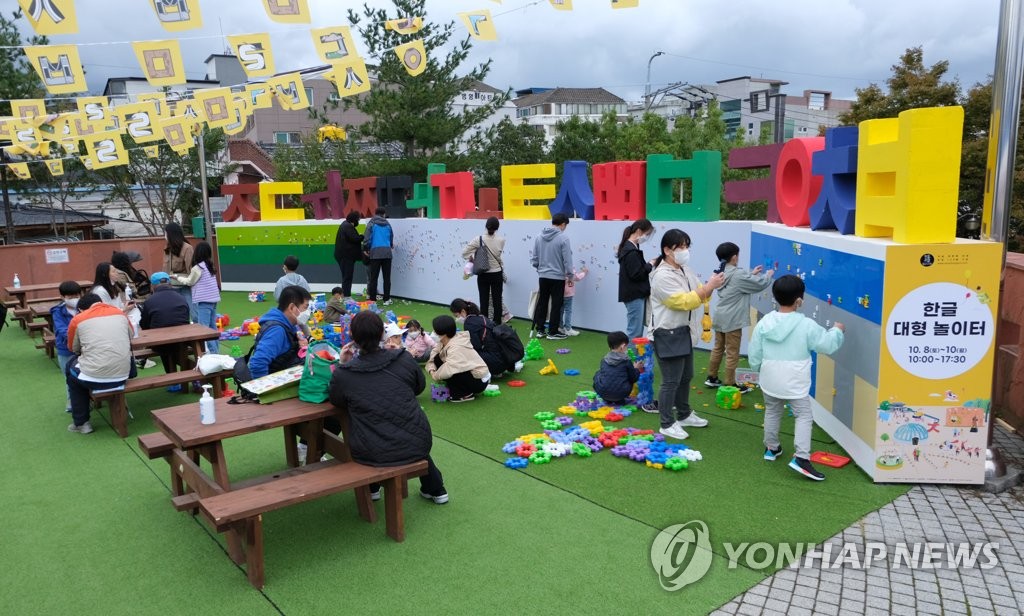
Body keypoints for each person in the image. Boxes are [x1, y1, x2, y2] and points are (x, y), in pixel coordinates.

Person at [329, 311, 449, 504]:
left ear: (352, 337)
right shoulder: (403, 358)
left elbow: (336, 400)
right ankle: (436, 489)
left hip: (370, 450)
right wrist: (401, 355)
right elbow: (419, 387)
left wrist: (342, 363)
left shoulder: (345, 372)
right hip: (417, 440)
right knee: (400, 430)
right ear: (382, 335)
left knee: (370, 424)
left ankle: (373, 488)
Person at [748, 275, 845, 481]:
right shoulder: (806, 324)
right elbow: (827, 345)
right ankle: (801, 457)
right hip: (794, 379)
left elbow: (754, 351)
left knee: (773, 411)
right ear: (799, 301)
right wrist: (837, 330)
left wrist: (758, 370)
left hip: (770, 376)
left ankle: (772, 448)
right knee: (803, 416)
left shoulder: (765, 321)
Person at [649, 229, 725, 439]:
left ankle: (683, 413)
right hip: (668, 332)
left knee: (686, 376)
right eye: (680, 247)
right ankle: (666, 423)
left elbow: (700, 293)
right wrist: (709, 286)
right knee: (671, 380)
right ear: (667, 250)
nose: (685, 251)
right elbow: (683, 302)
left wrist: (712, 284)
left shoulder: (685, 269)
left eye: (686, 246)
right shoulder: (662, 276)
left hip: (684, 332)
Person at [705, 241, 774, 391]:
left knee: (718, 348)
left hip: (720, 316)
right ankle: (730, 384)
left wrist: (751, 274)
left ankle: (712, 378)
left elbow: (738, 282)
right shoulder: (737, 274)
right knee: (732, 352)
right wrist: (768, 276)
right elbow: (759, 284)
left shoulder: (719, 272)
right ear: (735, 257)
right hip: (733, 319)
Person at [66, 293, 134, 434]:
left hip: (94, 376)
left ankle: (81, 422)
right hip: (123, 374)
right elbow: (131, 335)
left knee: (70, 369)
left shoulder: (78, 319)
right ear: (101, 302)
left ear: (80, 310)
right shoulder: (120, 313)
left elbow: (73, 348)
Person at [248, 285, 312, 380]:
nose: (307, 312)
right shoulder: (277, 330)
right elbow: (258, 363)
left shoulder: (288, 324)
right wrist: (267, 391)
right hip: (276, 383)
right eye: (305, 307)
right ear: (291, 308)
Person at [140, 272, 191, 381]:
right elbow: (186, 318)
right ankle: (189, 375)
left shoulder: (150, 301)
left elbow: (144, 325)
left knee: (163, 345)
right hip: (183, 341)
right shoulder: (181, 297)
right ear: (169, 283)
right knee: (176, 348)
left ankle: (172, 379)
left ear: (153, 285)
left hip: (161, 344)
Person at [426, 314, 490, 403]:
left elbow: (450, 368)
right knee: (438, 359)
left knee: (451, 368)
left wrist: (435, 376)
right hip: (470, 374)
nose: (433, 333)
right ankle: (458, 388)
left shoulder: (457, 347)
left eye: (435, 331)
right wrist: (431, 370)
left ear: (444, 334)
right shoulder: (444, 341)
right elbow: (432, 357)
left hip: (479, 381)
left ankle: (465, 394)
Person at [530, 213, 573, 340]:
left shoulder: (539, 237)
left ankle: (540, 330)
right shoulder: (563, 238)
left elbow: (534, 259)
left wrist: (539, 268)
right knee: (556, 304)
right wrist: (570, 275)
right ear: (563, 224)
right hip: (558, 276)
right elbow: (567, 260)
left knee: (542, 302)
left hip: (543, 276)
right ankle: (553, 331)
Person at [173, 241, 221, 354]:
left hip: (204, 301)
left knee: (204, 329)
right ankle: (216, 352)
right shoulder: (209, 265)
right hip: (213, 300)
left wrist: (176, 277)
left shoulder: (197, 268)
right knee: (212, 327)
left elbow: (189, 282)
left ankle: (214, 354)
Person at [462, 216, 505, 323]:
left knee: (484, 300)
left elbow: (464, 253)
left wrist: (472, 258)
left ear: (486, 226)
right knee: (497, 300)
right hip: (497, 273)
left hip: (483, 274)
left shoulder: (479, 239)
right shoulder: (501, 240)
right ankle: (497, 324)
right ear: (497, 228)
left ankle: (485, 324)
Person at [617, 219, 655, 339]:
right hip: (634, 294)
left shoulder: (630, 247)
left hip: (634, 294)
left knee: (636, 329)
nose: (646, 237)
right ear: (639, 231)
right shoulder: (631, 251)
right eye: (647, 234)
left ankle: (634, 356)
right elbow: (636, 274)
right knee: (635, 331)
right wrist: (650, 264)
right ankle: (631, 357)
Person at [449, 298, 506, 377]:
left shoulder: (469, 323)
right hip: (503, 359)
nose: (457, 319)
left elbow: (475, 346)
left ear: (462, 311)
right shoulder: (481, 317)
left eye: (457, 316)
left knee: (464, 353)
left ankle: (486, 373)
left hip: (495, 362)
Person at [51, 280, 84, 413]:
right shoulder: (57, 311)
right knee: (69, 377)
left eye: (77, 296)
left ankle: (86, 399)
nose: (74, 299)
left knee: (84, 373)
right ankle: (72, 401)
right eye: (70, 297)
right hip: (65, 349)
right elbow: (61, 330)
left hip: (83, 347)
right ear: (63, 297)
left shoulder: (83, 307)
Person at [593, 331, 643, 406]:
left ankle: (607, 398)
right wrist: (636, 369)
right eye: (626, 346)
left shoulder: (604, 359)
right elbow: (633, 378)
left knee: (598, 374)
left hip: (603, 392)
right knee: (629, 376)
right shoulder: (626, 361)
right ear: (622, 347)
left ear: (609, 347)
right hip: (621, 394)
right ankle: (619, 399)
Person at [91, 262, 141, 335]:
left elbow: (118, 305)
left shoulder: (113, 287)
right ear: (105, 274)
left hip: (117, 316)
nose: (117, 273)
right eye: (113, 271)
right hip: (108, 322)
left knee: (135, 312)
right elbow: (105, 311)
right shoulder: (100, 291)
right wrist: (125, 309)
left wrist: (126, 305)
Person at [362, 206, 394, 306]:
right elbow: (391, 236)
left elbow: (366, 238)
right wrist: (390, 245)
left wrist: (366, 249)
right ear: (384, 214)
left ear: (375, 213)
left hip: (375, 253)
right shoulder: (388, 224)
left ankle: (373, 300)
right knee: (387, 277)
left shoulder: (371, 223)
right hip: (387, 253)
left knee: (373, 278)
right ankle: (386, 299)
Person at [163, 222, 194, 319]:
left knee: (193, 312)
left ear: (171, 234)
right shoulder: (167, 248)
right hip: (171, 287)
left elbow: (191, 269)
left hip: (185, 286)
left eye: (165, 233)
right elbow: (165, 268)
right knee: (175, 314)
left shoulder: (187, 248)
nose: (164, 236)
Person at [334, 211, 363, 299]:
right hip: (346, 256)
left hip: (343, 255)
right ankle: (346, 296)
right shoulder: (348, 227)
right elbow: (355, 239)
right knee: (347, 276)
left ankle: (345, 295)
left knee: (346, 276)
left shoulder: (344, 225)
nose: (358, 221)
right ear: (354, 220)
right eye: (358, 219)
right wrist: (362, 236)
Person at [559, 266, 588, 336]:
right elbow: (576, 278)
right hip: (568, 293)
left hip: (559, 292)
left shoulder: (559, 266)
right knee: (568, 310)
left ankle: (560, 327)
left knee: (560, 310)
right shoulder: (569, 267)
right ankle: (568, 328)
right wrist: (584, 272)